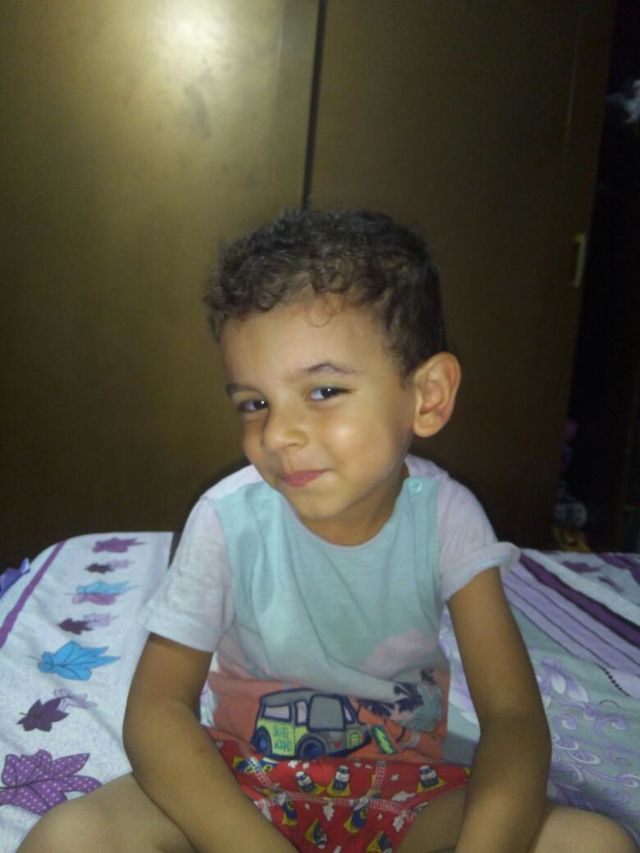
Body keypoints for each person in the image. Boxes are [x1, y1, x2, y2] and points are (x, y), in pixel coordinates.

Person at [19, 209, 636, 852]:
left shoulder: (447, 517)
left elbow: (512, 719)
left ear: (427, 396)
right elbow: (157, 711)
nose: (278, 434)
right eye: (255, 403)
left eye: (323, 391)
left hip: (405, 788)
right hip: (243, 782)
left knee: (594, 844)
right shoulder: (226, 518)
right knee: (69, 838)